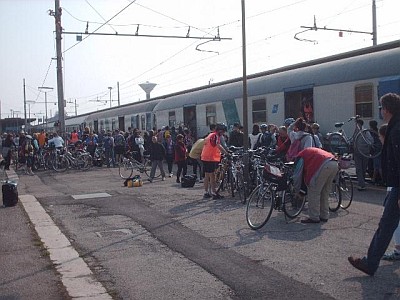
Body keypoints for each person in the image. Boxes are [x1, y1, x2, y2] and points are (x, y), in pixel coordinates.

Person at [348, 93, 400, 276]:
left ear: (386, 109)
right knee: (386, 225)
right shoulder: (395, 127)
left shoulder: (396, 130)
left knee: (386, 225)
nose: (381, 111)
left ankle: (370, 263)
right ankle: (370, 263)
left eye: (381, 108)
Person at [293, 147, 338, 223]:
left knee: (314, 191)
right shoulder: (309, 151)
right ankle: (324, 216)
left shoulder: (300, 157)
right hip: (334, 163)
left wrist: (298, 190)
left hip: (323, 165)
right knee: (325, 192)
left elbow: (298, 175)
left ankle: (314, 217)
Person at [201, 123, 228, 199]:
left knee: (207, 175)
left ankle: (206, 192)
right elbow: (218, 145)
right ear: (219, 130)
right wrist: (226, 153)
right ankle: (214, 193)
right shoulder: (215, 136)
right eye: (223, 132)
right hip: (210, 158)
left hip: (205, 157)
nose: (223, 134)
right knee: (212, 176)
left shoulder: (210, 135)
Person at [353, 118, 369, 191]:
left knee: (362, 168)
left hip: (364, 152)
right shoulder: (356, 131)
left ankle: (362, 183)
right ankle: (361, 184)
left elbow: (370, 140)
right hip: (359, 152)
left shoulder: (365, 131)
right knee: (360, 168)